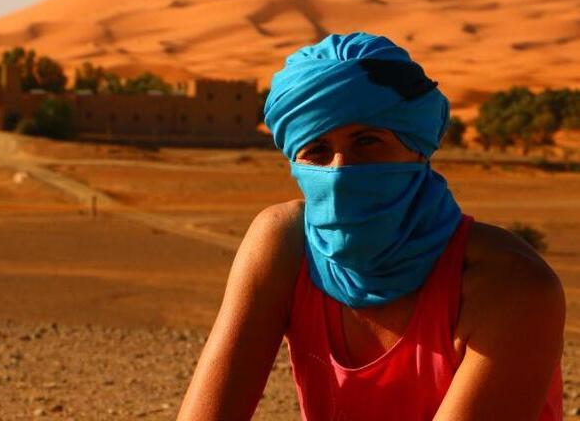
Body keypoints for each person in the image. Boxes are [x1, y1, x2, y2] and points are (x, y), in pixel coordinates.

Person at [178, 33, 564, 420]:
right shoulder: (286, 242)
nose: (341, 170)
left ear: (417, 146)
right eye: (317, 151)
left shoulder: (510, 285)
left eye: (367, 142)